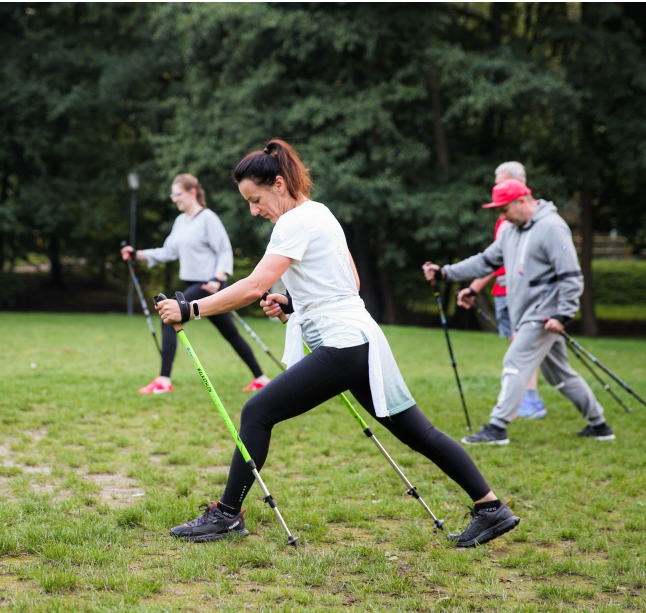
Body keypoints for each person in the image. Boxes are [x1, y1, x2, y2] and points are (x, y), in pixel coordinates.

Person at [154, 140, 520, 548]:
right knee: (417, 431)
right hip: (361, 338)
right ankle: (490, 507)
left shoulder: (292, 222)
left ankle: (226, 515)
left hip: (344, 344)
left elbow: (255, 285)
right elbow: (350, 283)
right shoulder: (320, 213)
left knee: (257, 411)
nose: (254, 211)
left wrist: (191, 309)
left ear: (278, 184)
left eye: (255, 200)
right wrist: (294, 302)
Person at [423, 179, 614, 445]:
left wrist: (563, 315)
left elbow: (571, 276)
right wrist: (446, 272)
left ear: (522, 201)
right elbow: (485, 261)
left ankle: (497, 428)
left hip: (543, 315)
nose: (502, 217)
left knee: (515, 363)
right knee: (559, 374)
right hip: (525, 315)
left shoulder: (552, 228)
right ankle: (600, 425)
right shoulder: (511, 232)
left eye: (504, 210)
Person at [121, 174, 269, 395]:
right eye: (173, 195)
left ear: (192, 192)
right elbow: (167, 252)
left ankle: (163, 380)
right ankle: (261, 378)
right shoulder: (181, 222)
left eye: (177, 194)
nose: (174, 199)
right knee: (230, 333)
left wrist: (218, 278)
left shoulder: (208, 218)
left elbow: (224, 250)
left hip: (209, 284)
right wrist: (136, 254)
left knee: (169, 316)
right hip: (195, 284)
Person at [458, 162, 546, 420]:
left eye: (501, 182)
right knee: (519, 344)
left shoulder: (527, 218)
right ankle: (527, 400)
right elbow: (494, 258)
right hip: (501, 290)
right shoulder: (506, 217)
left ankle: (529, 401)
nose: (495, 188)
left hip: (517, 292)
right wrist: (475, 287)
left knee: (522, 346)